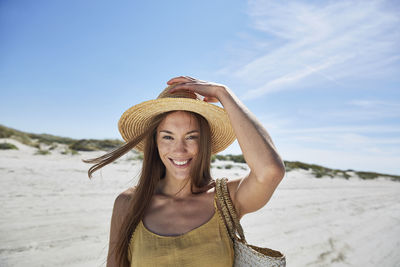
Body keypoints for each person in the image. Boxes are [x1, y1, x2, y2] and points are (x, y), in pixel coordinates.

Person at [84, 76, 285, 267]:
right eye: (168, 137)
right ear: (155, 142)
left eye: (191, 137)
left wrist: (223, 93)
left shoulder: (226, 199)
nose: (179, 150)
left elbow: (270, 171)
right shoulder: (128, 204)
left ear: (204, 141)